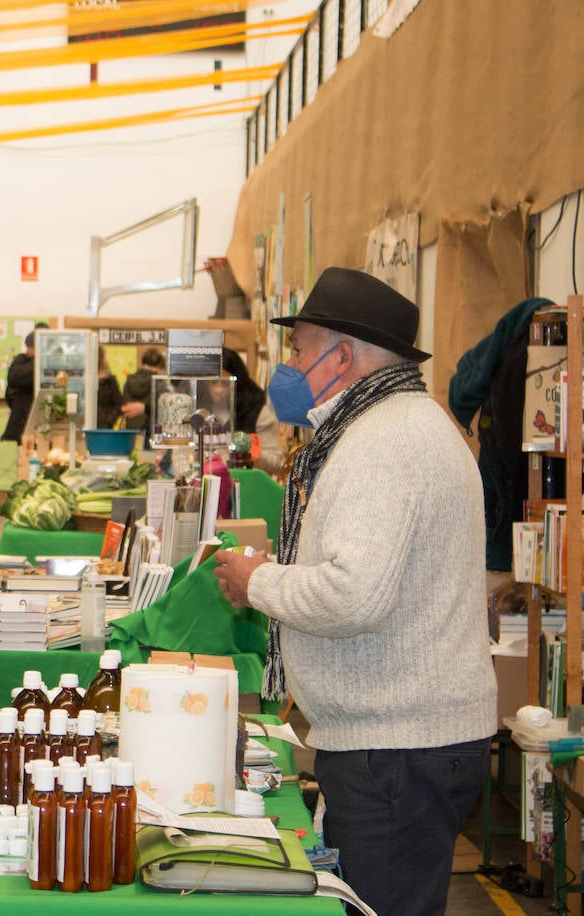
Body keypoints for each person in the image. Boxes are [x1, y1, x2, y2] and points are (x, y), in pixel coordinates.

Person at [212, 267, 496, 916]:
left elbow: (353, 596)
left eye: (298, 349)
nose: (289, 366)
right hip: (399, 743)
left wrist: (258, 580)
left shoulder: (384, 440)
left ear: (343, 356)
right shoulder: (399, 425)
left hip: (397, 750)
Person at [1, 331, 36, 443]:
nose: (28, 351)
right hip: (22, 421)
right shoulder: (22, 361)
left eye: (31, 347)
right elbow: (12, 383)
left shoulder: (23, 364)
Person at [120, 346, 165, 434]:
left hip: (130, 430)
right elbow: (161, 408)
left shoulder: (129, 381)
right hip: (150, 430)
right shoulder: (158, 382)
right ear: (159, 366)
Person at [95, 346, 123, 430]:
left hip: (105, 427)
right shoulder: (85, 379)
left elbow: (119, 403)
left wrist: (109, 420)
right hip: (86, 424)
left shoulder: (110, 380)